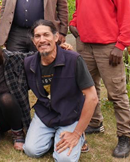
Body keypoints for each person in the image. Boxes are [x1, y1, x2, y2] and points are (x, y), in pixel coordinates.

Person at [69, 0, 130, 158]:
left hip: (109, 47)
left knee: (117, 94)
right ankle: (96, 123)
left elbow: (128, 11)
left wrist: (121, 45)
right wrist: (74, 22)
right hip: (84, 45)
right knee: (89, 89)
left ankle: (125, 138)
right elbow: (81, 7)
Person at [23, 20, 98, 161]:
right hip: (46, 114)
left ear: (56, 37)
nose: (42, 40)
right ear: (33, 41)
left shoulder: (73, 60)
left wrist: (76, 133)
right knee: (31, 150)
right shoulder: (29, 63)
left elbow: (92, 97)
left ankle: (79, 137)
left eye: (46, 35)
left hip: (70, 115)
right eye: (37, 36)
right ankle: (55, 136)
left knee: (65, 159)